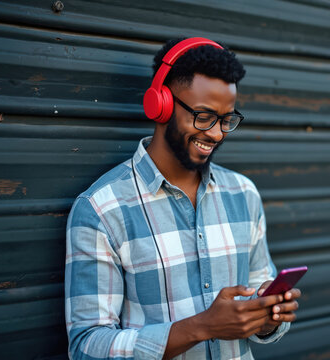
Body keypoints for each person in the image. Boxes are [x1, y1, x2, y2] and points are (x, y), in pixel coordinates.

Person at [65, 37, 301, 360]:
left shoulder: (244, 195)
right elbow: (87, 346)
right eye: (203, 117)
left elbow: (260, 287)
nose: (217, 134)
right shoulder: (101, 210)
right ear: (160, 104)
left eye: (226, 120)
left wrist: (266, 318)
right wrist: (202, 327)